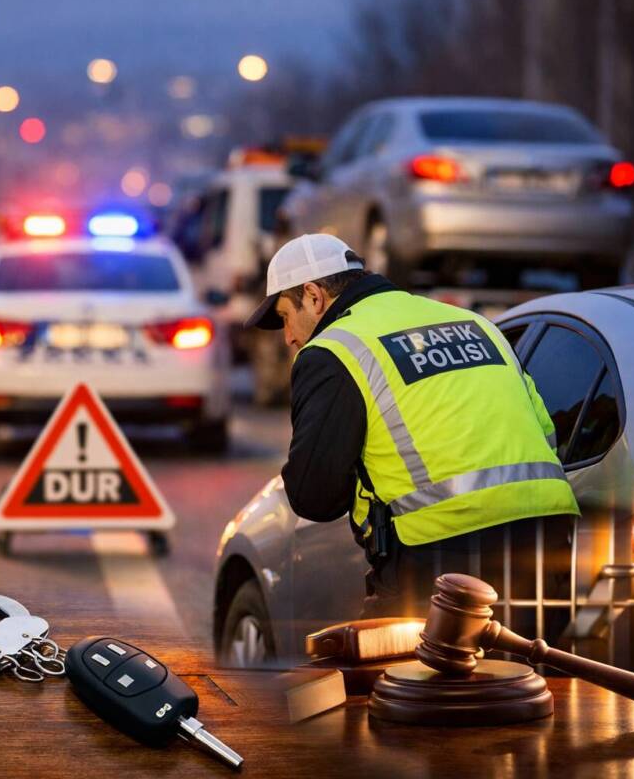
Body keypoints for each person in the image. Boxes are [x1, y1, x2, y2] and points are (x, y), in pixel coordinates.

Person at [246, 233, 579, 618]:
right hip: (549, 538)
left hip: (442, 553)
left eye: (287, 316)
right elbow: (545, 431)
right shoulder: (475, 323)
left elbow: (313, 495)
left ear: (314, 296)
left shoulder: (334, 350)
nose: (289, 338)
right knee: (530, 674)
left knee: (396, 673)